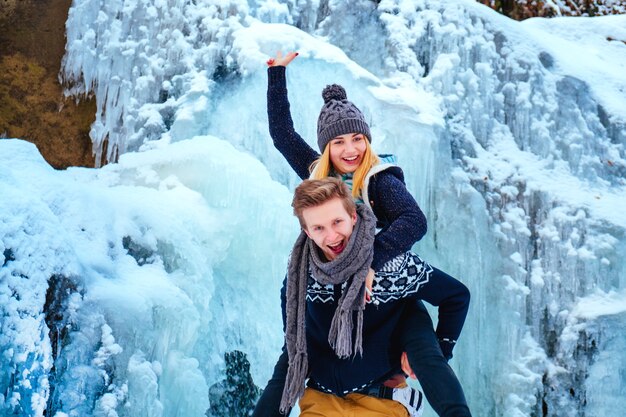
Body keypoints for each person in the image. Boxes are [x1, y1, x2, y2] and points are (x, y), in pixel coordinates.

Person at [253, 52, 472, 417]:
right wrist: (276, 74)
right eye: (338, 142)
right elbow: (283, 135)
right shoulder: (317, 175)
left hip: (383, 280)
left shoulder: (379, 179)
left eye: (357, 138)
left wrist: (369, 261)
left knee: (417, 333)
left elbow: (414, 221)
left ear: (367, 141)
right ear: (326, 147)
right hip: (335, 282)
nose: (350, 149)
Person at [273, 178, 471, 416]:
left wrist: (439, 352)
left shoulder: (392, 265)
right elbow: (292, 344)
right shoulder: (300, 272)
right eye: (319, 228)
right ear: (307, 232)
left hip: (383, 401)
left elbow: (456, 296)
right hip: (320, 401)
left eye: (337, 222)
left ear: (353, 217)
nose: (332, 235)